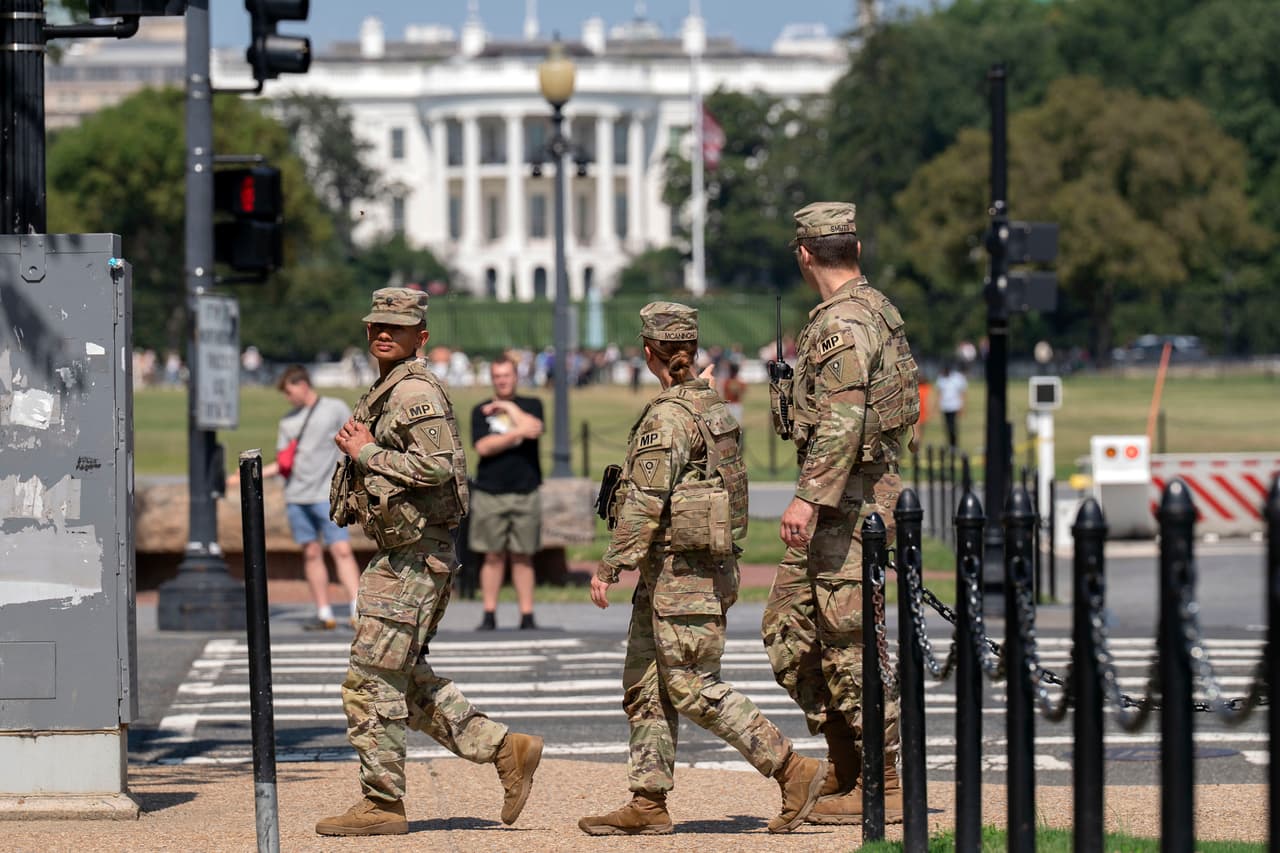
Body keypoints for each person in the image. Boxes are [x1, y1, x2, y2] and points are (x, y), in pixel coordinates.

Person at [580, 302, 829, 837]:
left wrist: (609, 567)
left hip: (683, 576)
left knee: (691, 685)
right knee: (646, 683)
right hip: (679, 572)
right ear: (690, 351)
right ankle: (648, 801)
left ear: (648, 352)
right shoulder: (709, 404)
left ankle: (792, 768)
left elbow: (644, 503)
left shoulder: (669, 417)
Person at [317, 287, 543, 837]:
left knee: (370, 678)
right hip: (407, 554)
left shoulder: (413, 391)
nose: (383, 334)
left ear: (421, 337)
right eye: (376, 325)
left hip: (415, 557)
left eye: (396, 328)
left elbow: (437, 466)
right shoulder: (389, 386)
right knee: (405, 679)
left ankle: (382, 803)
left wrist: (367, 452)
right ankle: (505, 750)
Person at [762, 201, 921, 825]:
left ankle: (883, 781)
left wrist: (807, 497)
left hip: (851, 506)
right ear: (854, 248)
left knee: (851, 643)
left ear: (805, 254)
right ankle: (849, 760)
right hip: (849, 503)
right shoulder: (874, 309)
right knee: (789, 627)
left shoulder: (843, 322)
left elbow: (844, 419)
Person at [266, 365, 363, 631]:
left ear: (303, 385)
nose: (288, 398)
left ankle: (356, 608)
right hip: (297, 495)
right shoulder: (288, 421)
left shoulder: (334, 408)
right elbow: (284, 461)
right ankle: (323, 611)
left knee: (341, 550)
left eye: (289, 392)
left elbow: (355, 437)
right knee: (310, 552)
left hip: (326, 494)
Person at [470, 354, 545, 630]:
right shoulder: (481, 410)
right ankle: (489, 613)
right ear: (492, 379)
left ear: (516, 377)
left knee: (523, 555)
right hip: (490, 491)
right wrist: (517, 433)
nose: (502, 380)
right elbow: (483, 447)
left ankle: (527, 614)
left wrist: (507, 407)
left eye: (506, 375)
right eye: (497, 376)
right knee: (492, 555)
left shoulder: (532, 404)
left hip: (525, 490)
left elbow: (535, 429)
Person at [936, 360, 967, 448]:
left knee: (952, 426)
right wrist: (937, 406)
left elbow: (963, 393)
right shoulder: (941, 379)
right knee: (947, 426)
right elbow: (939, 393)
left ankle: (954, 444)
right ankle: (950, 443)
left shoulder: (957, 378)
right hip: (945, 406)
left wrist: (963, 406)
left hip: (954, 406)